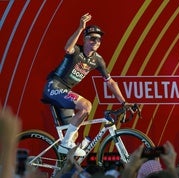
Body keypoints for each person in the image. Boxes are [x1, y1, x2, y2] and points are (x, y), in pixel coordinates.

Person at [42, 13, 129, 156]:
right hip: (54, 87)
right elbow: (67, 48)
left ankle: (63, 167)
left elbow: (110, 82)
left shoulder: (97, 60)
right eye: (93, 38)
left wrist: (124, 102)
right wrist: (80, 28)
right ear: (85, 40)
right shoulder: (77, 50)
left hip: (65, 92)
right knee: (86, 106)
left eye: (99, 39)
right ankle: (65, 145)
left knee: (73, 135)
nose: (97, 41)